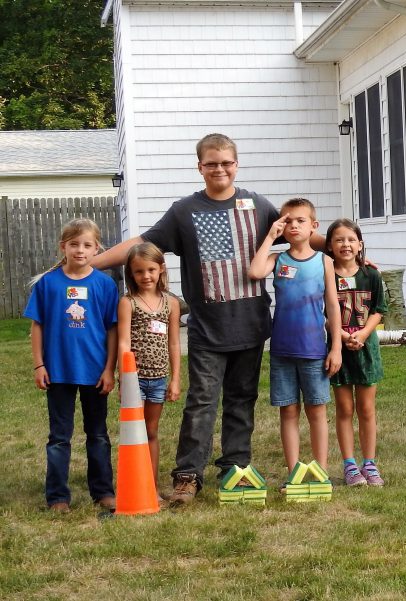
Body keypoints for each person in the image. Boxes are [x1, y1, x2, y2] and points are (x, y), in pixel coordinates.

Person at [93, 133, 311, 505]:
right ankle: (188, 476)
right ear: (200, 167)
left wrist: (346, 251)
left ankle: (235, 470)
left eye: (226, 162)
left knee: (241, 401)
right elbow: (141, 244)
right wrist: (88, 266)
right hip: (208, 329)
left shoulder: (258, 206)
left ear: (236, 164)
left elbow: (300, 235)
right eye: (211, 163)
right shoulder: (184, 212)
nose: (219, 169)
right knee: (201, 403)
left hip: (251, 326)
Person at [25, 219, 118, 512]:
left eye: (87, 245)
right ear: (63, 247)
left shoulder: (105, 284)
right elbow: (37, 325)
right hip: (58, 372)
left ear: (96, 248)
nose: (80, 250)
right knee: (59, 438)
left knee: (98, 435)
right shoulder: (48, 284)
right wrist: (39, 365)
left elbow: (112, 329)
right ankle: (57, 497)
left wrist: (109, 369)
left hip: (95, 372)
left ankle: (103, 491)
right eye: (74, 244)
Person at [249, 198, 342, 484]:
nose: (293, 226)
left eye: (300, 221)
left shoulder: (324, 261)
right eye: (287, 221)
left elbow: (333, 306)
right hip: (282, 350)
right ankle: (294, 474)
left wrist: (336, 347)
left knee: (316, 411)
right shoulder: (278, 260)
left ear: (314, 226)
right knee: (288, 411)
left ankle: (321, 472)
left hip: (314, 350)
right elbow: (255, 272)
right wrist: (270, 237)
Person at [325, 219, 388, 486]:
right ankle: (350, 465)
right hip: (338, 350)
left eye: (351, 239)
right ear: (330, 245)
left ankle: (370, 464)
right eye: (339, 239)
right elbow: (323, 312)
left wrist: (362, 335)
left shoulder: (371, 274)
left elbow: (379, 309)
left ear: (360, 244)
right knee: (344, 408)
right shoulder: (326, 274)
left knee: (366, 408)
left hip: (366, 349)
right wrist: (341, 336)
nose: (346, 244)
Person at [117, 242, 182, 494]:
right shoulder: (128, 302)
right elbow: (124, 342)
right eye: (139, 271)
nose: (146, 276)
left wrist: (175, 379)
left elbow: (174, 342)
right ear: (131, 274)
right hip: (135, 379)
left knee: (151, 430)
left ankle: (151, 487)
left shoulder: (171, 303)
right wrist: (125, 379)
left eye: (151, 270)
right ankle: (134, 484)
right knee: (134, 432)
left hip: (158, 379)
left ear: (161, 269)